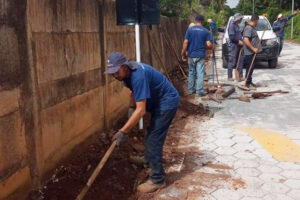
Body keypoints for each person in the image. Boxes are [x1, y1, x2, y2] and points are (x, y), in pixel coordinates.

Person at [106, 52, 179, 193]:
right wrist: (131, 107)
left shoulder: (138, 76)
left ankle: (158, 179)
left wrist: (123, 131)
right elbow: (133, 93)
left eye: (115, 71)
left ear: (124, 66)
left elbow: (141, 111)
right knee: (150, 132)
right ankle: (148, 159)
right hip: (157, 101)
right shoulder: (126, 74)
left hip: (167, 102)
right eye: (111, 73)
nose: (114, 75)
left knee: (154, 139)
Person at [181, 15, 213, 96]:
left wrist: (183, 53)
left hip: (191, 55)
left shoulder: (190, 30)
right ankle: (199, 91)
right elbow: (209, 44)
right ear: (202, 21)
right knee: (200, 73)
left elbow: (185, 42)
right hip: (200, 55)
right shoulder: (205, 31)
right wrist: (212, 45)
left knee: (191, 72)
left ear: (195, 21)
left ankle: (191, 90)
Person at [243, 14, 261, 89]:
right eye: (257, 21)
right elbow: (246, 39)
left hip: (252, 52)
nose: (257, 23)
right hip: (250, 52)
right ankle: (247, 84)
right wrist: (253, 49)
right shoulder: (249, 28)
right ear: (255, 20)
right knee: (249, 67)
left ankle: (249, 81)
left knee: (251, 67)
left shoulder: (252, 28)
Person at [227, 13, 244, 81]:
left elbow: (239, 34)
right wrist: (238, 42)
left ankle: (240, 75)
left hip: (239, 45)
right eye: (240, 19)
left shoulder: (237, 25)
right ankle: (230, 76)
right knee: (232, 61)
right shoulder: (232, 25)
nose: (241, 20)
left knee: (240, 60)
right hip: (233, 45)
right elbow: (232, 37)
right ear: (238, 19)